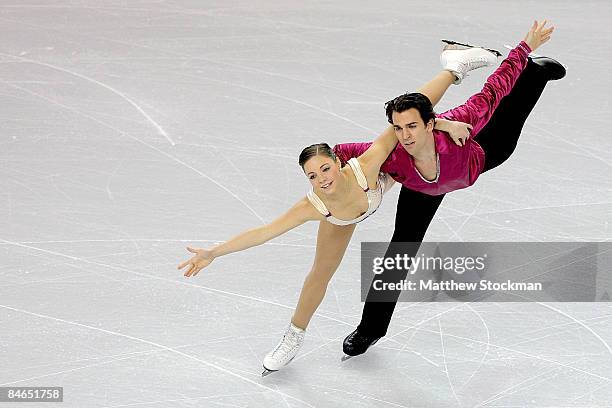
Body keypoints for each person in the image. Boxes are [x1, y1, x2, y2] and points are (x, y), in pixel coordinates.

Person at [177, 45, 496, 373]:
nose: (321, 179)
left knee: (406, 135)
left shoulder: (368, 164)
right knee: (319, 274)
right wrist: (214, 252)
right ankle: (293, 336)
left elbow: (414, 108)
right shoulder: (314, 205)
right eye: (312, 176)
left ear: (337, 163)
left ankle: (455, 64)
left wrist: (445, 104)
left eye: (324, 170)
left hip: (394, 178)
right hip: (342, 216)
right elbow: (264, 232)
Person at [330, 20, 567, 357]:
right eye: (398, 129)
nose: (405, 136)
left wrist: (526, 45)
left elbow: (495, 87)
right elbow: (340, 151)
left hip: (479, 154)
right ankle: (370, 329)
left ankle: (536, 73)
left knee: (510, 111)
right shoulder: (395, 156)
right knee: (400, 249)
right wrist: (324, 171)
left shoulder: (461, 119)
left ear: (430, 123)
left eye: (413, 126)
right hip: (424, 187)